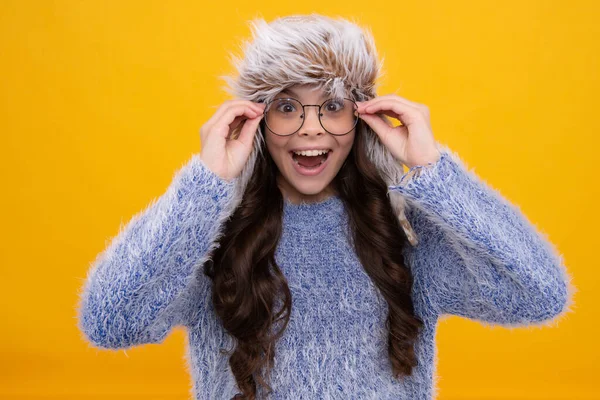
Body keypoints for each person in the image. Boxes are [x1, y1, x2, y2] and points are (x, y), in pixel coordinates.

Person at [76, 14, 576, 400]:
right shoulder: (210, 233)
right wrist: (204, 187)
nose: (311, 128)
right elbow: (109, 322)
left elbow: (539, 295)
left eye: (332, 105)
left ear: (362, 118)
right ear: (255, 121)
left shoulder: (405, 235)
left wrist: (434, 170)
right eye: (287, 107)